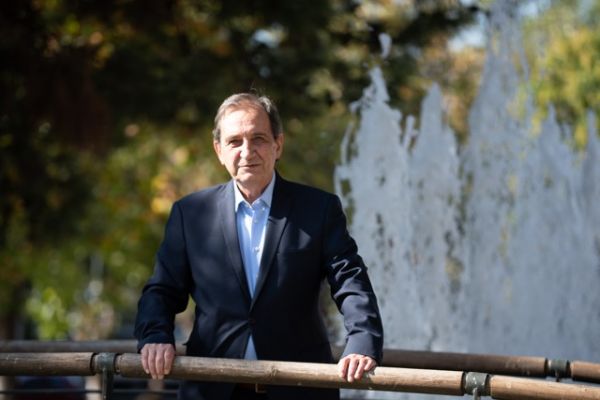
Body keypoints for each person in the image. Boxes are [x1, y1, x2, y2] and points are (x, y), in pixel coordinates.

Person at [134, 92, 384, 400]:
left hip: (299, 390)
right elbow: (162, 289)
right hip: (213, 389)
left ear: (278, 145)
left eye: (258, 139)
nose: (247, 151)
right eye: (234, 141)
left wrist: (362, 340)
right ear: (219, 150)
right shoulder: (190, 214)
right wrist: (155, 336)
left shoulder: (319, 209)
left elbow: (350, 280)